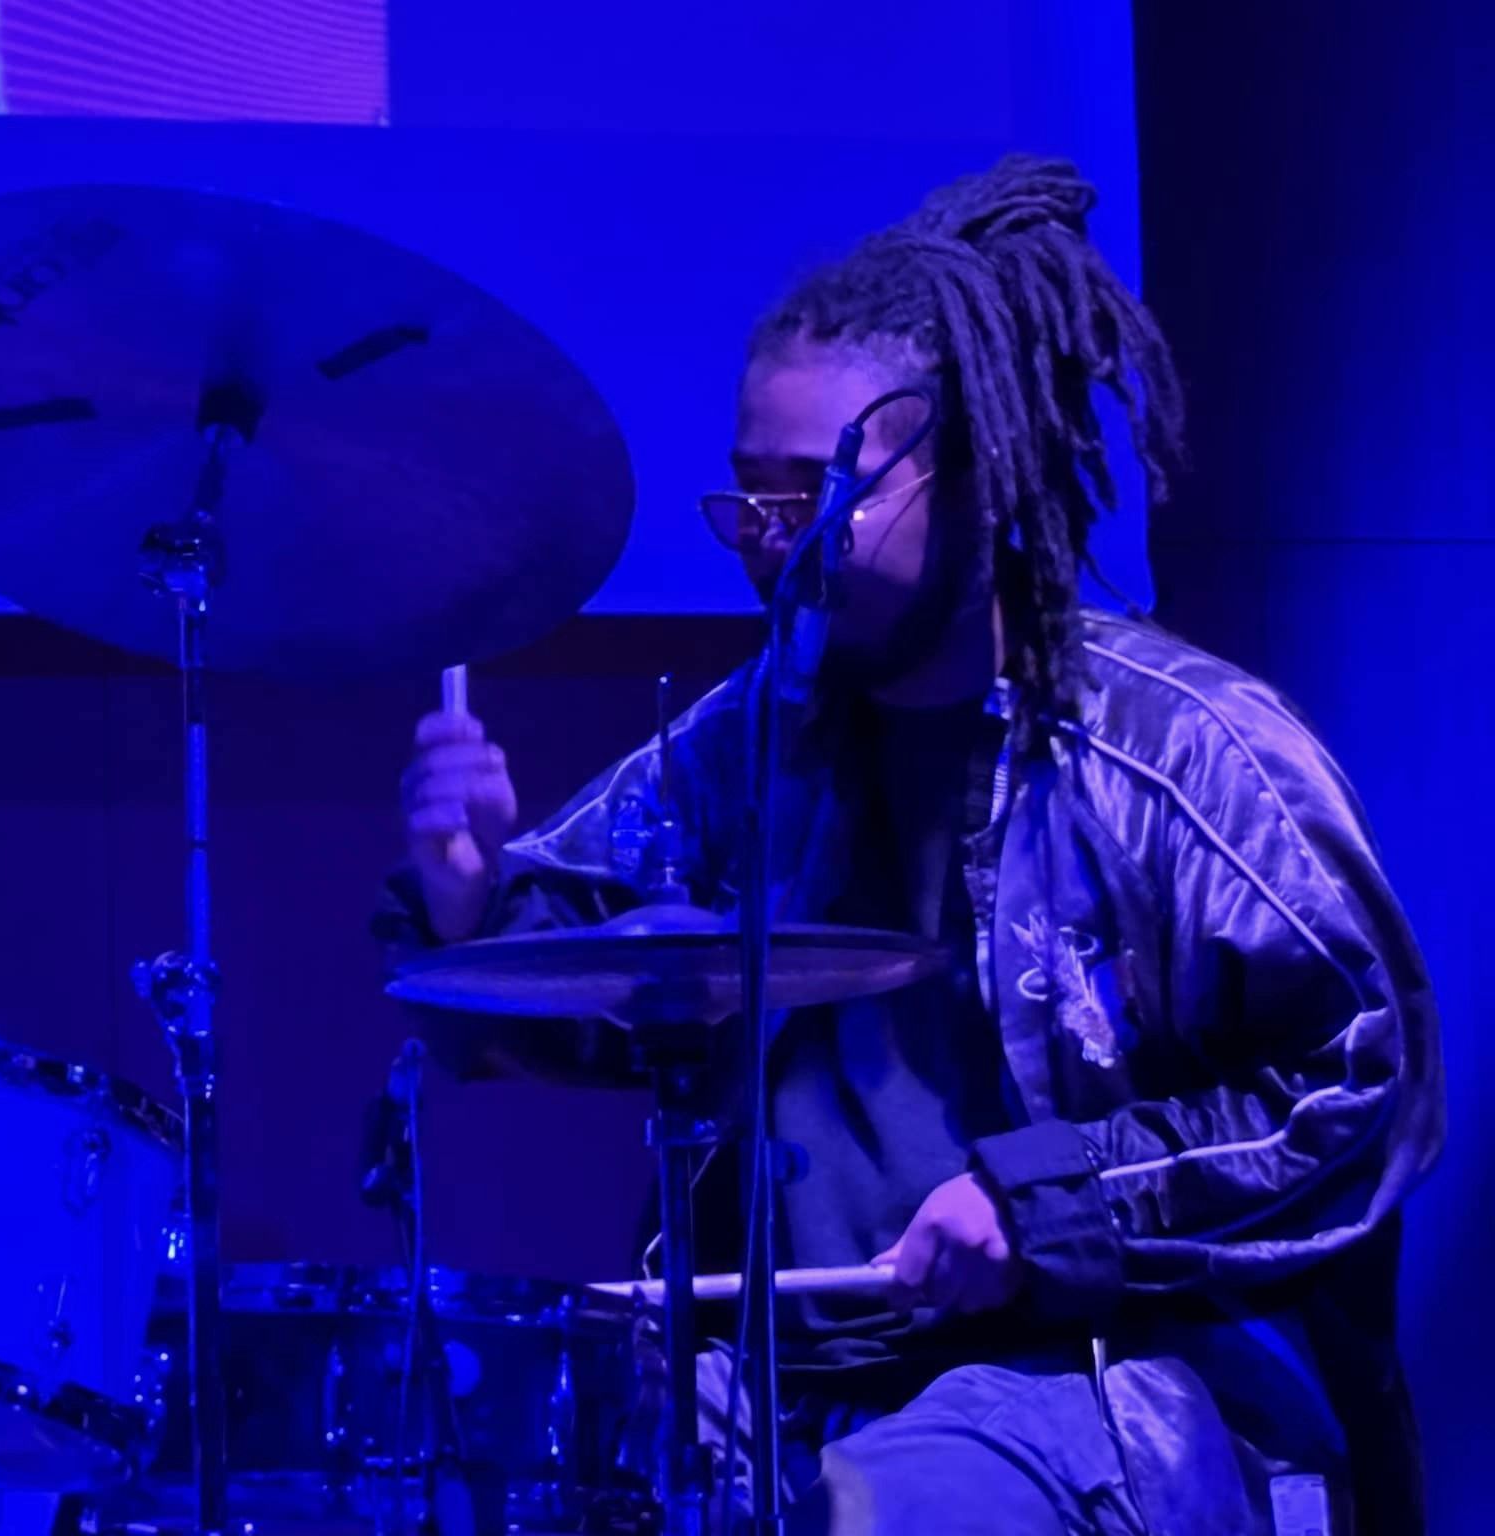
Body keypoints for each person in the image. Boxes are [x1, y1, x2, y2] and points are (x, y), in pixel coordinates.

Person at [377, 156, 1442, 1535]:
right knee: (525, 1464)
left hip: (1123, 1373)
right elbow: (598, 975)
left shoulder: (1185, 753)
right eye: (753, 500)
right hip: (802, 1372)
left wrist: (1047, 1198)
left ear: (981, 482)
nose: (780, 547)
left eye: (826, 497)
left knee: (883, 1508)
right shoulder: (753, 742)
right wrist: (471, 904)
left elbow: (1360, 1084)